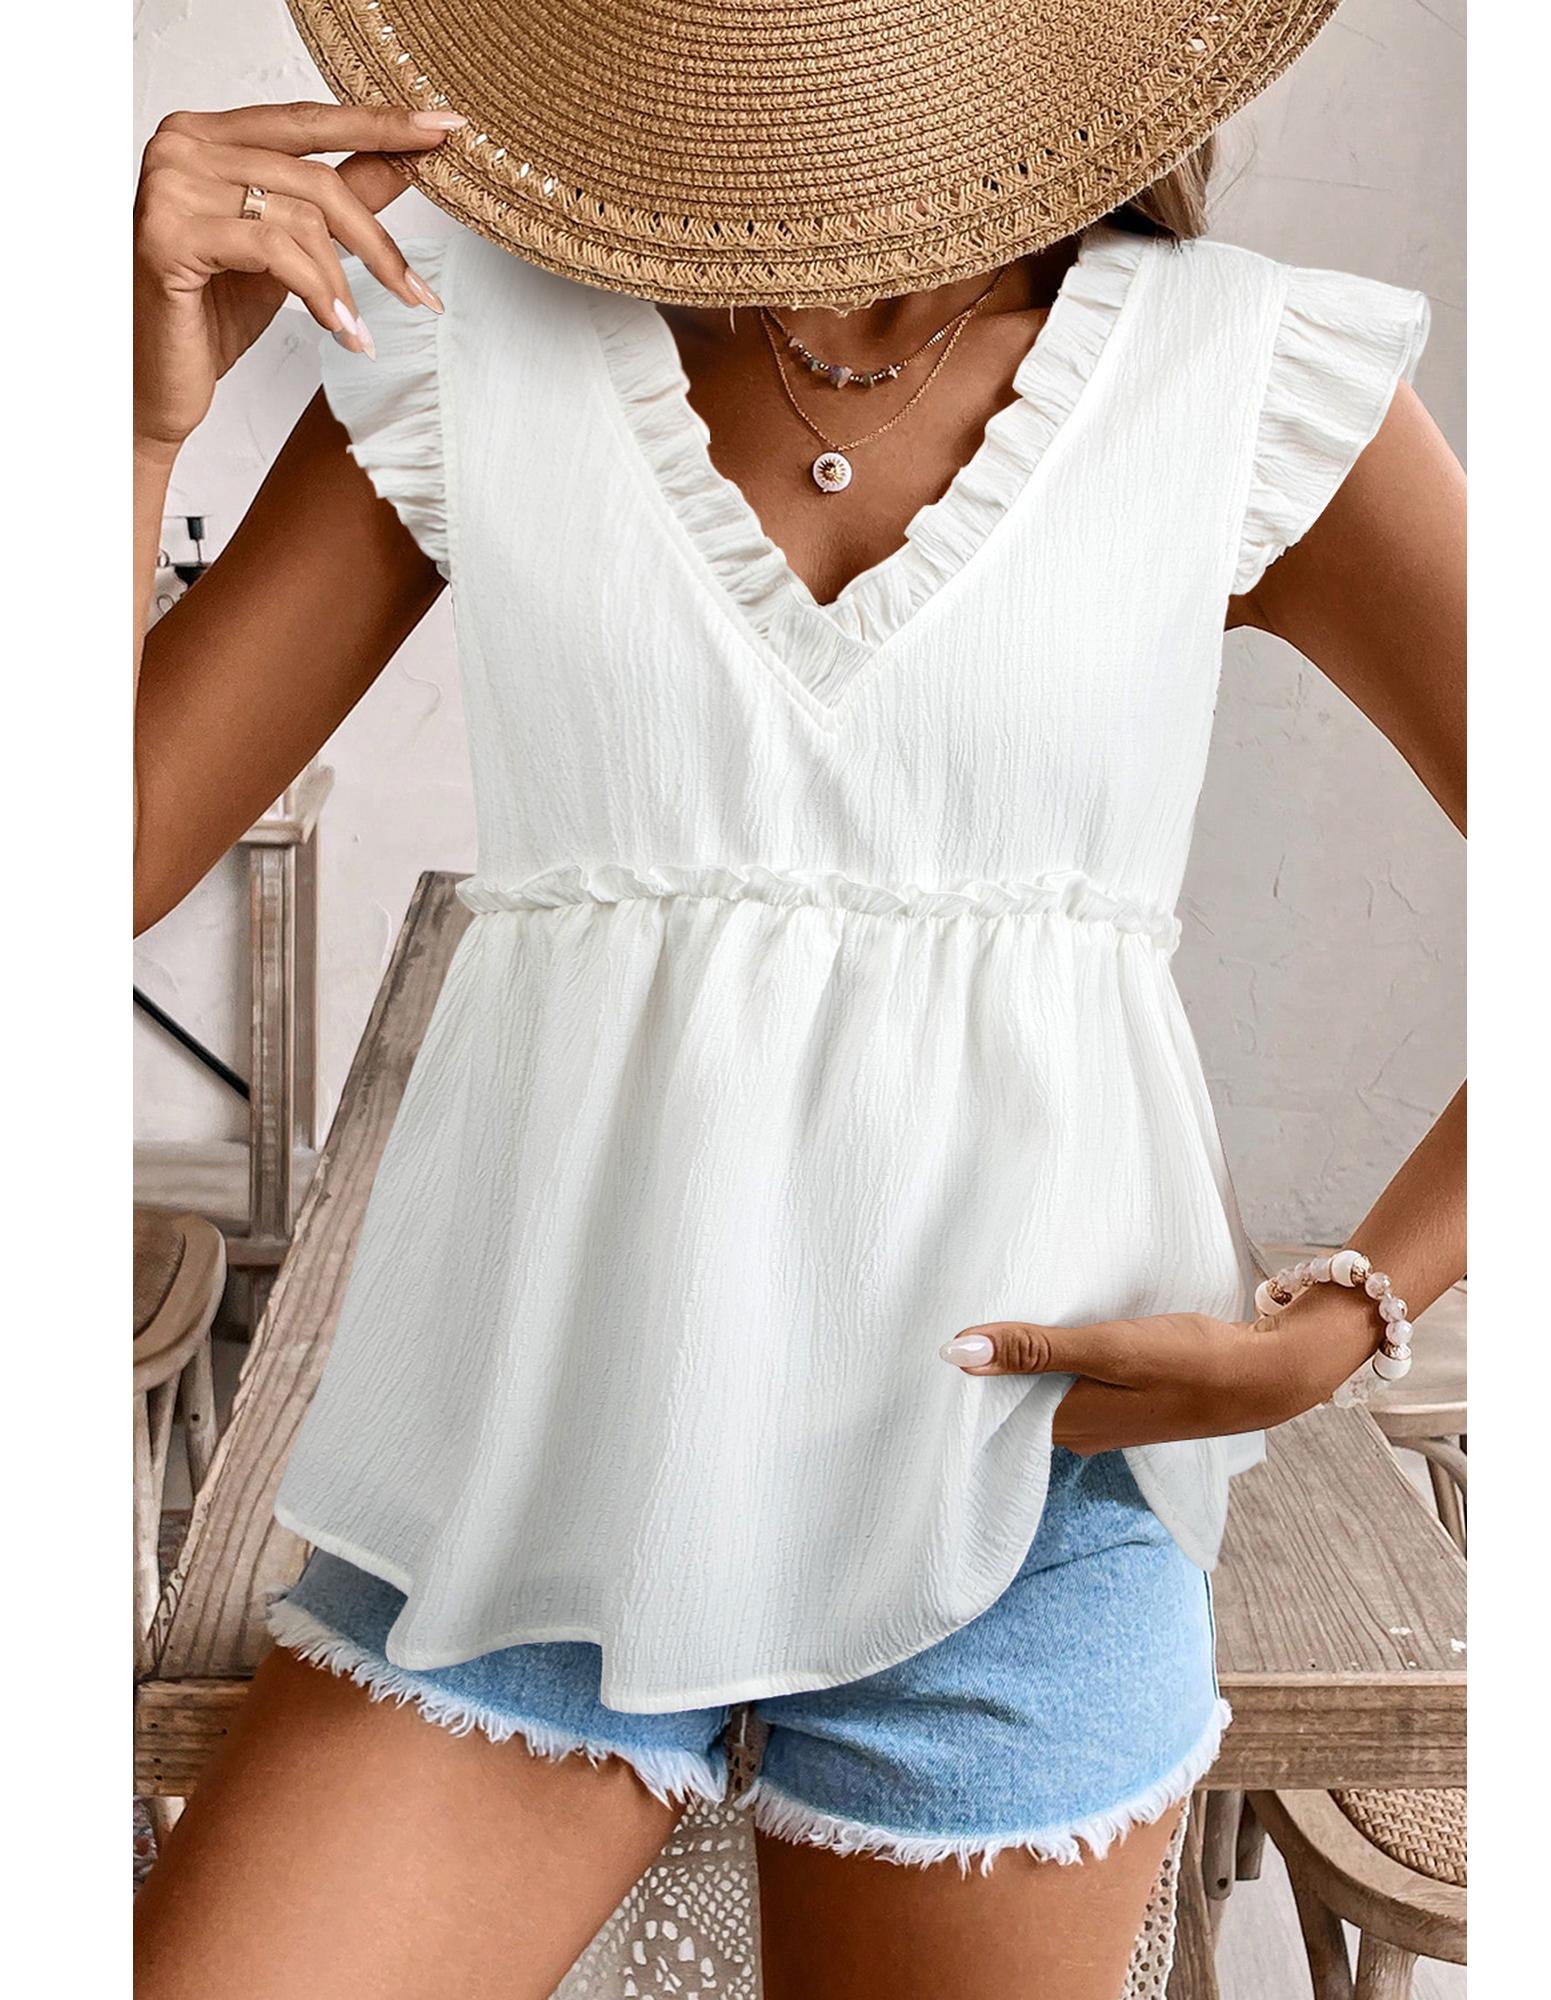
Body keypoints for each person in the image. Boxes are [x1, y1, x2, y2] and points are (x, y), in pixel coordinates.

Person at [131, 5, 1465, 1995]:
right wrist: (134, 422)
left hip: (1020, 1496)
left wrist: (1353, 1309)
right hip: (536, 1473)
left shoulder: (1241, 374)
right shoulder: (472, 338)